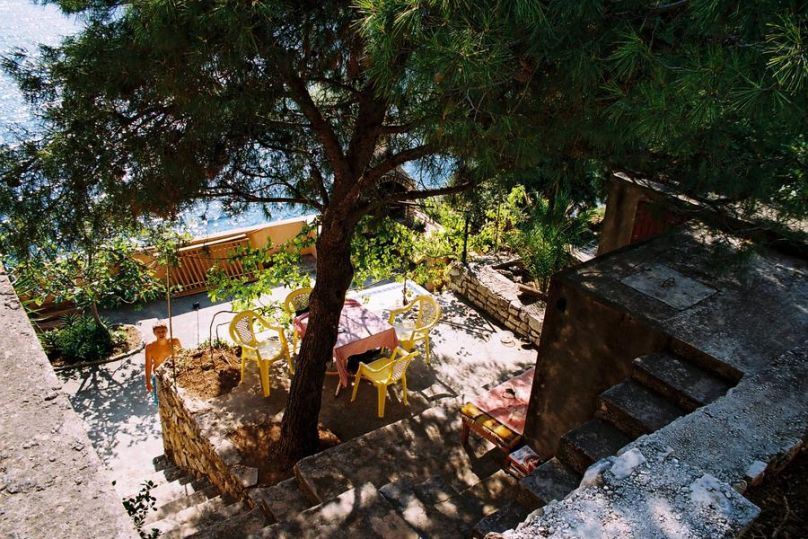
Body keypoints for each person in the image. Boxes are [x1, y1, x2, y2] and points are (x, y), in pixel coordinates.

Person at [145, 321, 182, 402]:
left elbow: (181, 356)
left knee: (176, 399)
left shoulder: (175, 341)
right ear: (154, 333)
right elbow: (148, 364)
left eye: (163, 331)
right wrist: (148, 382)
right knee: (160, 401)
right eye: (158, 332)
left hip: (173, 375)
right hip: (159, 377)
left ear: (167, 331)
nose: (161, 334)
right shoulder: (149, 347)